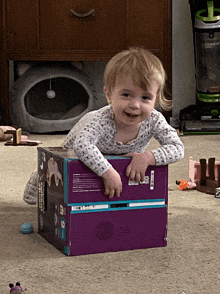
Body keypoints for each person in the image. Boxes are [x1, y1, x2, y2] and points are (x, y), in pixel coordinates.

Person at [24, 47, 184, 203]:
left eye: (145, 97)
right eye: (126, 95)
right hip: (75, 157)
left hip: (116, 160)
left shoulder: (154, 119)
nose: (135, 105)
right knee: (54, 186)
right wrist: (107, 172)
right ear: (109, 95)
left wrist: (148, 157)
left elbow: (177, 148)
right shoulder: (101, 120)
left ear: (155, 100)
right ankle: (38, 178)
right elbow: (82, 146)